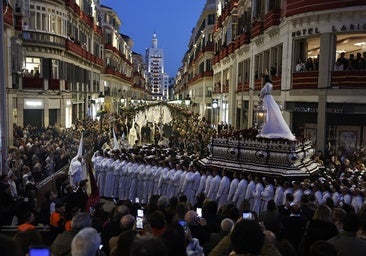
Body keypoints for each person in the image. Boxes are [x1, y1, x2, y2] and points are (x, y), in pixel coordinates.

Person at [257, 72, 296, 141]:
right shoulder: (270, 84)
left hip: (267, 98)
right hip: (269, 97)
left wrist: (260, 94)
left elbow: (263, 91)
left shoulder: (267, 84)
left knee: (267, 111)